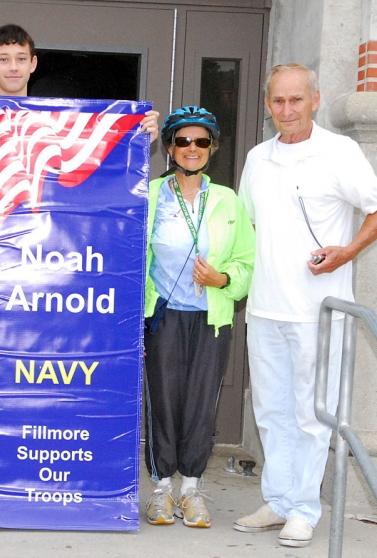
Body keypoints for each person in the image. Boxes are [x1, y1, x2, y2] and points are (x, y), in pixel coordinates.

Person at [0, 23, 160, 527]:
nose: (13, 67)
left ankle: (70, 489)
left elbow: (104, 167)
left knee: (58, 381)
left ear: (34, 63)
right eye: (3, 58)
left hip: (57, 286)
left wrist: (141, 131)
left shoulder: (60, 121)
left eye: (21, 57)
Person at [234, 63, 377, 547]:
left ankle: (303, 510)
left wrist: (348, 250)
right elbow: (249, 228)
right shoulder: (257, 157)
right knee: (271, 411)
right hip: (265, 308)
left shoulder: (341, 152)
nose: (287, 110)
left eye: (297, 99)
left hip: (320, 310)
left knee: (312, 415)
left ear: (315, 100)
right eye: (278, 101)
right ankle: (277, 500)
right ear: (268, 104)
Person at [143, 106, 255, 529]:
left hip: (211, 316)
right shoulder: (151, 194)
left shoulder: (227, 200)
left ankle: (190, 489)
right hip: (164, 315)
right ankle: (160, 491)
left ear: (213, 148)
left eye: (202, 141)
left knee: (200, 404)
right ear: (170, 147)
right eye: (184, 141)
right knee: (163, 402)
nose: (193, 148)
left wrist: (222, 277)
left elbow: (247, 260)